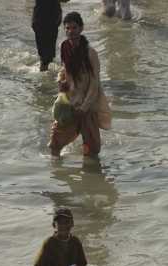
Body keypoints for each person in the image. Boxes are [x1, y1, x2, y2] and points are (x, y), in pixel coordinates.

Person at [49, 12, 112, 159]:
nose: (71, 31)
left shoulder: (90, 54)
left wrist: (84, 108)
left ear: (81, 28)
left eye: (74, 28)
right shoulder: (64, 47)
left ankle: (89, 177)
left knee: (92, 149)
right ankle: (57, 175)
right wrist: (61, 80)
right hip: (70, 102)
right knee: (55, 144)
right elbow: (64, 68)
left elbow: (94, 85)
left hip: (87, 105)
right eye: (68, 28)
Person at [32, 0, 69, 72]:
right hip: (42, 20)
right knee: (45, 57)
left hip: (50, 21)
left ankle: (46, 75)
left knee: (48, 56)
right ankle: (44, 77)